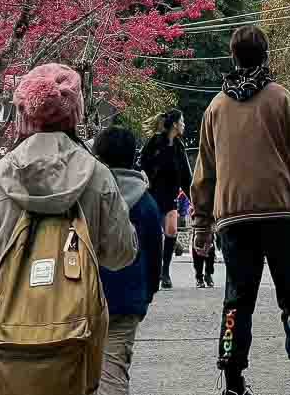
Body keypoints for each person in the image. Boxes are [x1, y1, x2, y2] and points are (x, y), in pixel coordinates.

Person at [0, 64, 137, 394]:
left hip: (10, 331)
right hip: (77, 334)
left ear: (24, 113)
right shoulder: (97, 175)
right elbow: (121, 253)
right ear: (75, 113)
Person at [190, 25, 290, 395]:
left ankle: (233, 379)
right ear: (266, 55)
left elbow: (205, 172)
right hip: (278, 213)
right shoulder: (280, 98)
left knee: (236, 300)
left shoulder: (215, 108)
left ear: (232, 57)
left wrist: (201, 224)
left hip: (233, 217)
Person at [91, 126, 162, 395]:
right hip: (127, 300)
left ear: (98, 157)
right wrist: (147, 293)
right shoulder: (146, 203)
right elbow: (154, 256)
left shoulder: (89, 197)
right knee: (113, 368)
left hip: (88, 297)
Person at [140, 110, 193, 289]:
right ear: (175, 124)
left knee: (171, 230)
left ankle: (165, 272)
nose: (184, 124)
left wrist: (193, 199)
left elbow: (186, 177)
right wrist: (142, 177)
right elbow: (142, 163)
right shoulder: (154, 142)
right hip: (152, 195)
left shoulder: (179, 147)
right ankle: (152, 271)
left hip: (170, 196)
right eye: (182, 121)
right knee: (154, 236)